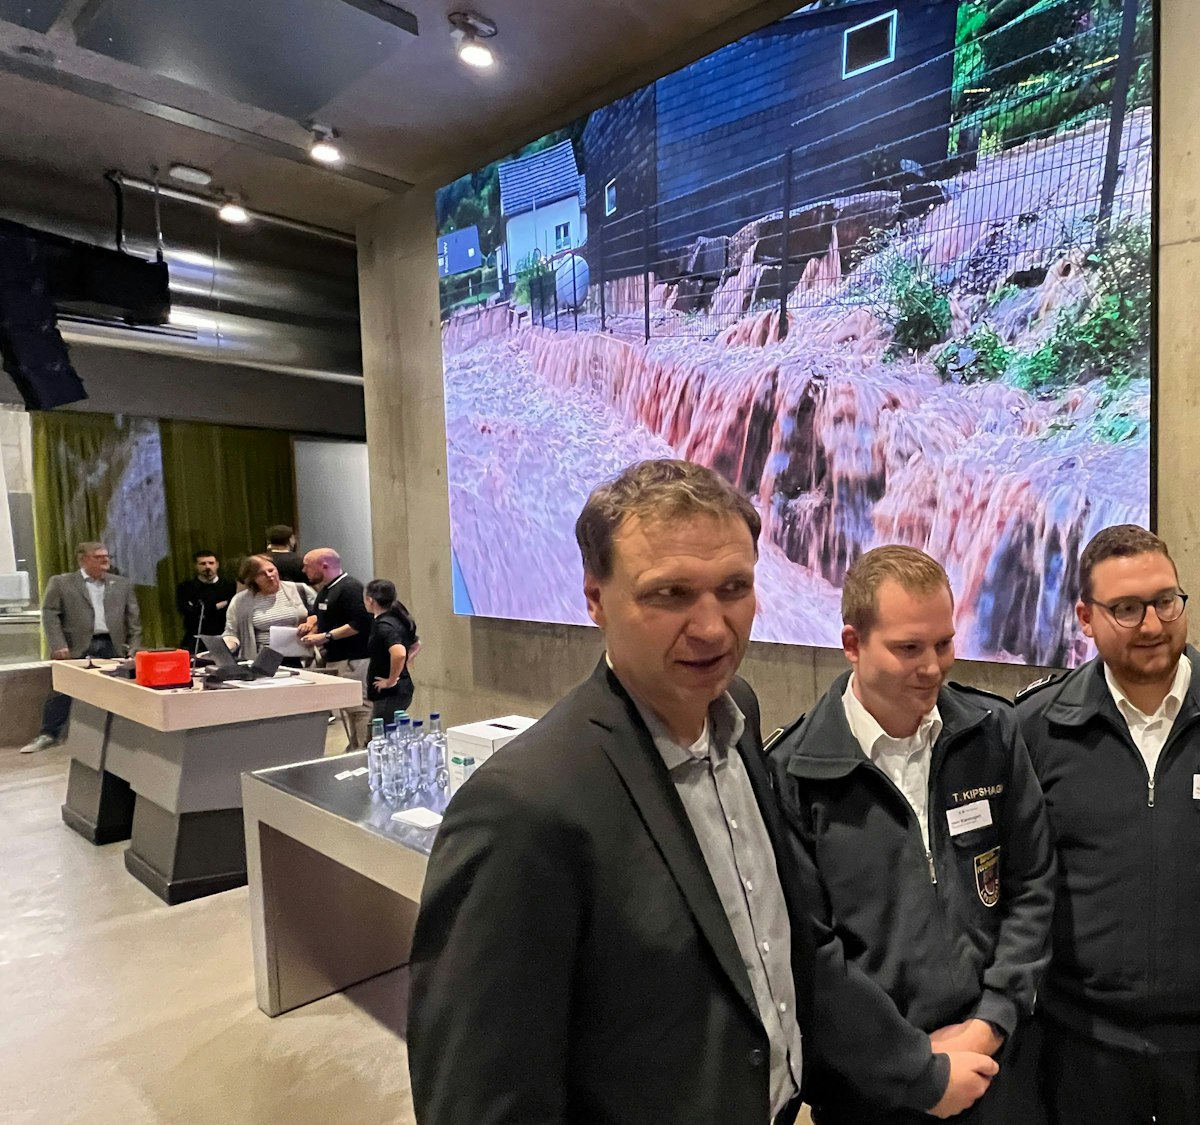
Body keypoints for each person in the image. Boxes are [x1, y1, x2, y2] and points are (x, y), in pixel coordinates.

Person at [407, 459, 994, 1125]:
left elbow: (783, 947)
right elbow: (480, 1098)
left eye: (734, 587)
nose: (713, 627)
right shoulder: (523, 807)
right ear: (595, 598)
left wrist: (911, 1067)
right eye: (670, 593)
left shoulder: (737, 715)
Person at [1013, 525, 1200, 1125]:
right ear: (1085, 618)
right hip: (1080, 1046)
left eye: (1166, 601)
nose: (1152, 624)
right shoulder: (1036, 729)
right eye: (1127, 609)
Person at [766, 545, 1057, 1125]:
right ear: (852, 644)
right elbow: (812, 955)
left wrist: (989, 1024)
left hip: (993, 1067)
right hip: (870, 1091)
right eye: (908, 649)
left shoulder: (992, 733)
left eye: (943, 644)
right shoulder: (793, 773)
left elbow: (1033, 886)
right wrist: (915, 1067)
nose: (933, 667)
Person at [18, 542, 143, 754]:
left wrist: (134, 648)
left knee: (119, 691)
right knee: (62, 691)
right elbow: (50, 615)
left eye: (107, 556)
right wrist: (58, 644)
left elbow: (134, 620)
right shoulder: (62, 582)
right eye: (98, 557)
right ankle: (49, 734)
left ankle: (122, 737)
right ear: (83, 560)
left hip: (112, 646)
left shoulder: (121, 584)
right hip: (76, 646)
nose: (106, 560)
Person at [302, 548, 374, 745]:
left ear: (324, 565)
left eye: (307, 566)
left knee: (360, 707)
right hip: (337, 658)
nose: (303, 570)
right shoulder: (326, 590)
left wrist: (326, 636)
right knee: (349, 708)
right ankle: (355, 746)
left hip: (354, 659)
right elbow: (321, 615)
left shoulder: (350, 588)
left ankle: (365, 751)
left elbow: (360, 623)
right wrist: (310, 626)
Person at [221, 554, 316, 666]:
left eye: (271, 570)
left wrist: (310, 623)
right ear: (252, 578)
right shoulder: (240, 600)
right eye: (262, 574)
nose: (270, 576)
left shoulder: (300, 589)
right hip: (262, 660)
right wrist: (227, 646)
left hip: (298, 658)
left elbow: (321, 615)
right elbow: (231, 631)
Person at [361, 579, 418, 725]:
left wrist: (391, 680)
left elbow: (399, 653)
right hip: (399, 690)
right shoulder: (397, 619)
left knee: (382, 736)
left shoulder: (384, 626)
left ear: (370, 600)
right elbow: (416, 645)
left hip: (390, 694)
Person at [175, 549, 232, 653]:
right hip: (196, 639)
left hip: (224, 638)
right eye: (202, 563)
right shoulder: (186, 588)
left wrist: (202, 609)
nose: (207, 567)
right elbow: (187, 611)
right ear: (195, 566)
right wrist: (215, 607)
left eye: (211, 563)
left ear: (217, 565)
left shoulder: (229, 587)